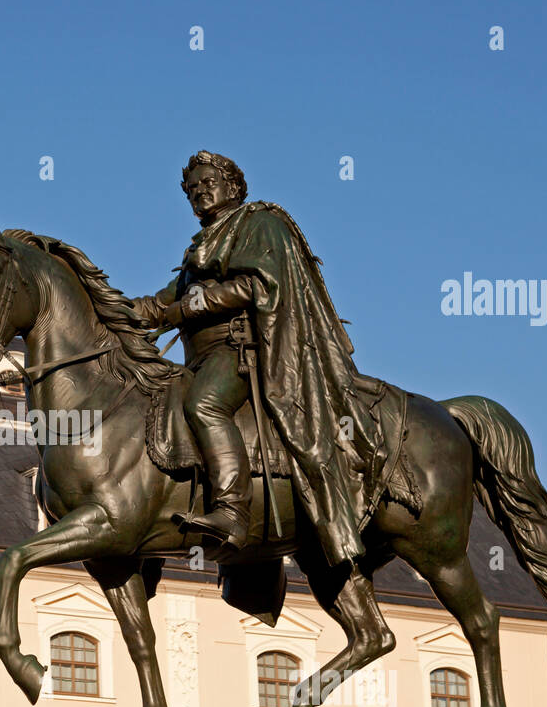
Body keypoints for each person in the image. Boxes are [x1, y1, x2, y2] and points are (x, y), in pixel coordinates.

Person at [128, 151, 376, 563]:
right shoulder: (201, 248)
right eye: (191, 189)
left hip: (244, 350)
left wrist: (190, 307)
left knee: (205, 404)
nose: (199, 193)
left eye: (208, 183)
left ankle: (231, 511)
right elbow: (158, 304)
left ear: (233, 186)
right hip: (199, 357)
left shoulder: (261, 224)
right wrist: (105, 308)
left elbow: (258, 284)